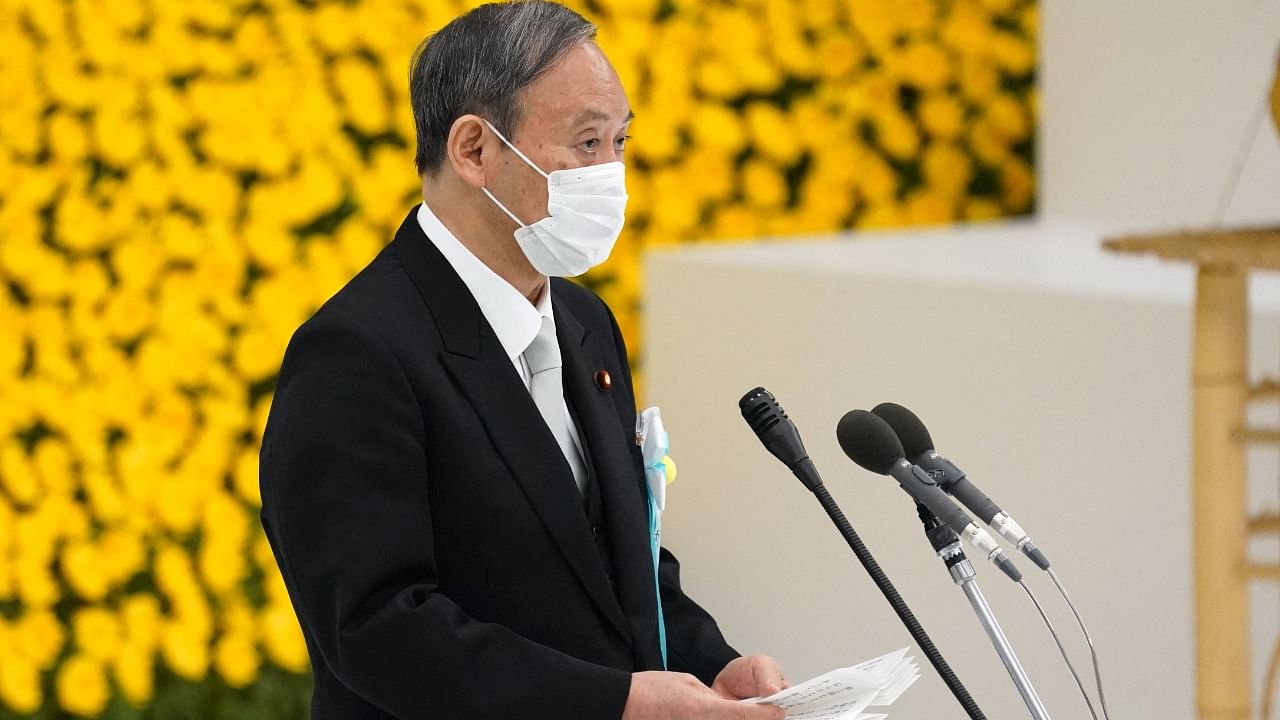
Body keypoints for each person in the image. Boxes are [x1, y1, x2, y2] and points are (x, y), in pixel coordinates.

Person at [259, 2, 787, 717]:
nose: (612, 174)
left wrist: (711, 665)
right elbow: (378, 627)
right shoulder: (357, 353)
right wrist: (612, 703)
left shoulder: (585, 323)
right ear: (474, 149)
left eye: (620, 142)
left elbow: (623, 564)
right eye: (587, 143)